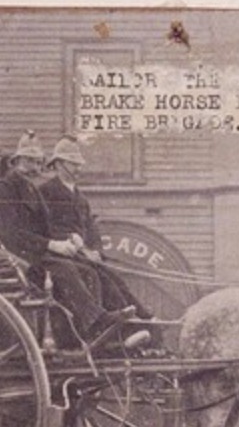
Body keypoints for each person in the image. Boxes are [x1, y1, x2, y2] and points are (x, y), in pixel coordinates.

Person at [0, 130, 137, 345]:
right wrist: (51, 244)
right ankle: (95, 321)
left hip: (37, 252)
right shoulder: (5, 188)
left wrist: (68, 242)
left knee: (87, 269)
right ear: (18, 160)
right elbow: (10, 233)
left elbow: (46, 226)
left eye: (38, 161)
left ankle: (88, 335)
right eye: (30, 161)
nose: (36, 167)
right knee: (65, 269)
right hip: (20, 255)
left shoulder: (30, 187)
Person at [40, 135, 154, 321]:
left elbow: (91, 228)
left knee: (114, 279)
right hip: (64, 256)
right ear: (59, 164)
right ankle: (109, 324)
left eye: (79, 164)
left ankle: (141, 317)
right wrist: (79, 248)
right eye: (73, 163)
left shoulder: (80, 197)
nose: (78, 168)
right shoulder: (46, 192)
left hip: (84, 255)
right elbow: (48, 228)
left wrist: (96, 251)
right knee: (100, 280)